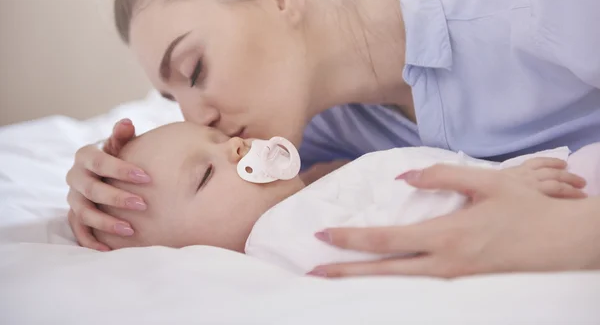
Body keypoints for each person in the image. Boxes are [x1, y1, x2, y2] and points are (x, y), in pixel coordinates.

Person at [66, 0, 600, 277]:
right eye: (173, 96)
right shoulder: (318, 132)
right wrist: (104, 188)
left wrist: (569, 233)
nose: (195, 116)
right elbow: (192, 191)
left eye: (193, 70)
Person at [91, 121, 596, 277]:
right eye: (204, 173)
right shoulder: (278, 237)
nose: (236, 146)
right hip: (540, 197)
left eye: (218, 135)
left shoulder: (308, 195)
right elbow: (400, 232)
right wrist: (507, 185)